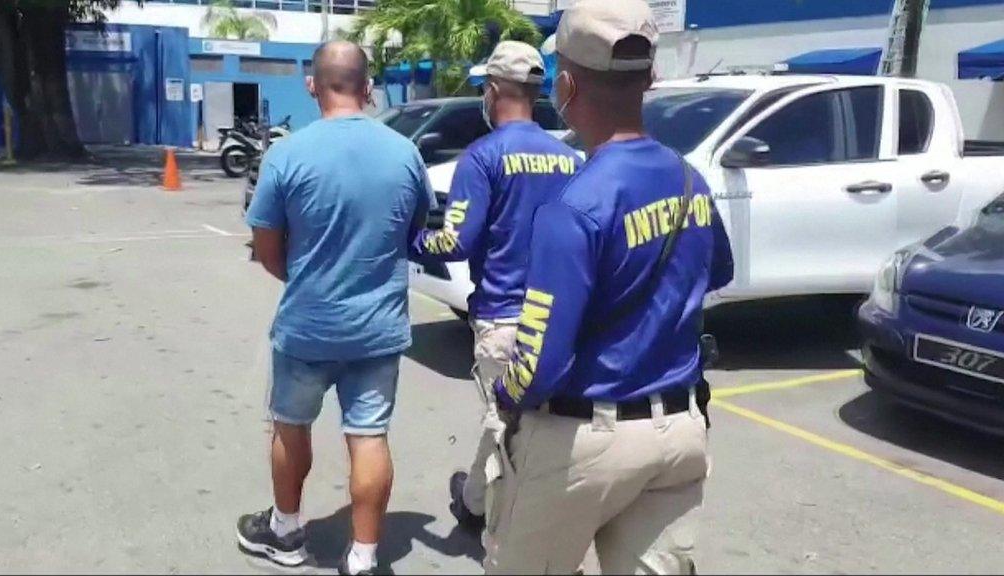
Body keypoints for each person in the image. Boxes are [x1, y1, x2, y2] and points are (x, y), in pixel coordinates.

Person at [484, 0, 735, 573]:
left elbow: (541, 362)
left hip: (585, 445)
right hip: (679, 436)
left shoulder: (574, 206)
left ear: (566, 85)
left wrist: (505, 398)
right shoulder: (688, 178)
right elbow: (718, 272)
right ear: (649, 79)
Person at [236, 41, 433, 576]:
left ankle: (285, 533)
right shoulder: (404, 152)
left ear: (311, 85)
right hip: (378, 328)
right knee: (369, 436)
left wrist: (306, 277)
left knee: (290, 426)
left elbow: (268, 248)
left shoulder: (285, 155)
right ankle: (365, 558)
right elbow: (412, 233)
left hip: (307, 325)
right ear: (368, 87)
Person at [409, 41, 583, 533]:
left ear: (493, 91)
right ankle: (474, 501)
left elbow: (455, 241)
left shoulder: (484, 157)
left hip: (504, 319)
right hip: (560, 319)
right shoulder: (569, 157)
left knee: (506, 426)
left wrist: (409, 239)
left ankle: (510, 532)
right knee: (535, 425)